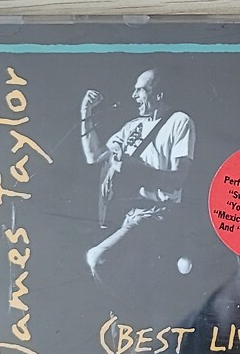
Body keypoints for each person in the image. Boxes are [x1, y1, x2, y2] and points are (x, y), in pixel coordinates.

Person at [79, 69, 195, 285]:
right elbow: (94, 156)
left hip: (160, 215)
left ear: (158, 94)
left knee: (97, 257)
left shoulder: (179, 121)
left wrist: (133, 170)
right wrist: (86, 112)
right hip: (130, 214)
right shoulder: (133, 126)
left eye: (140, 90)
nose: (133, 96)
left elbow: (178, 179)